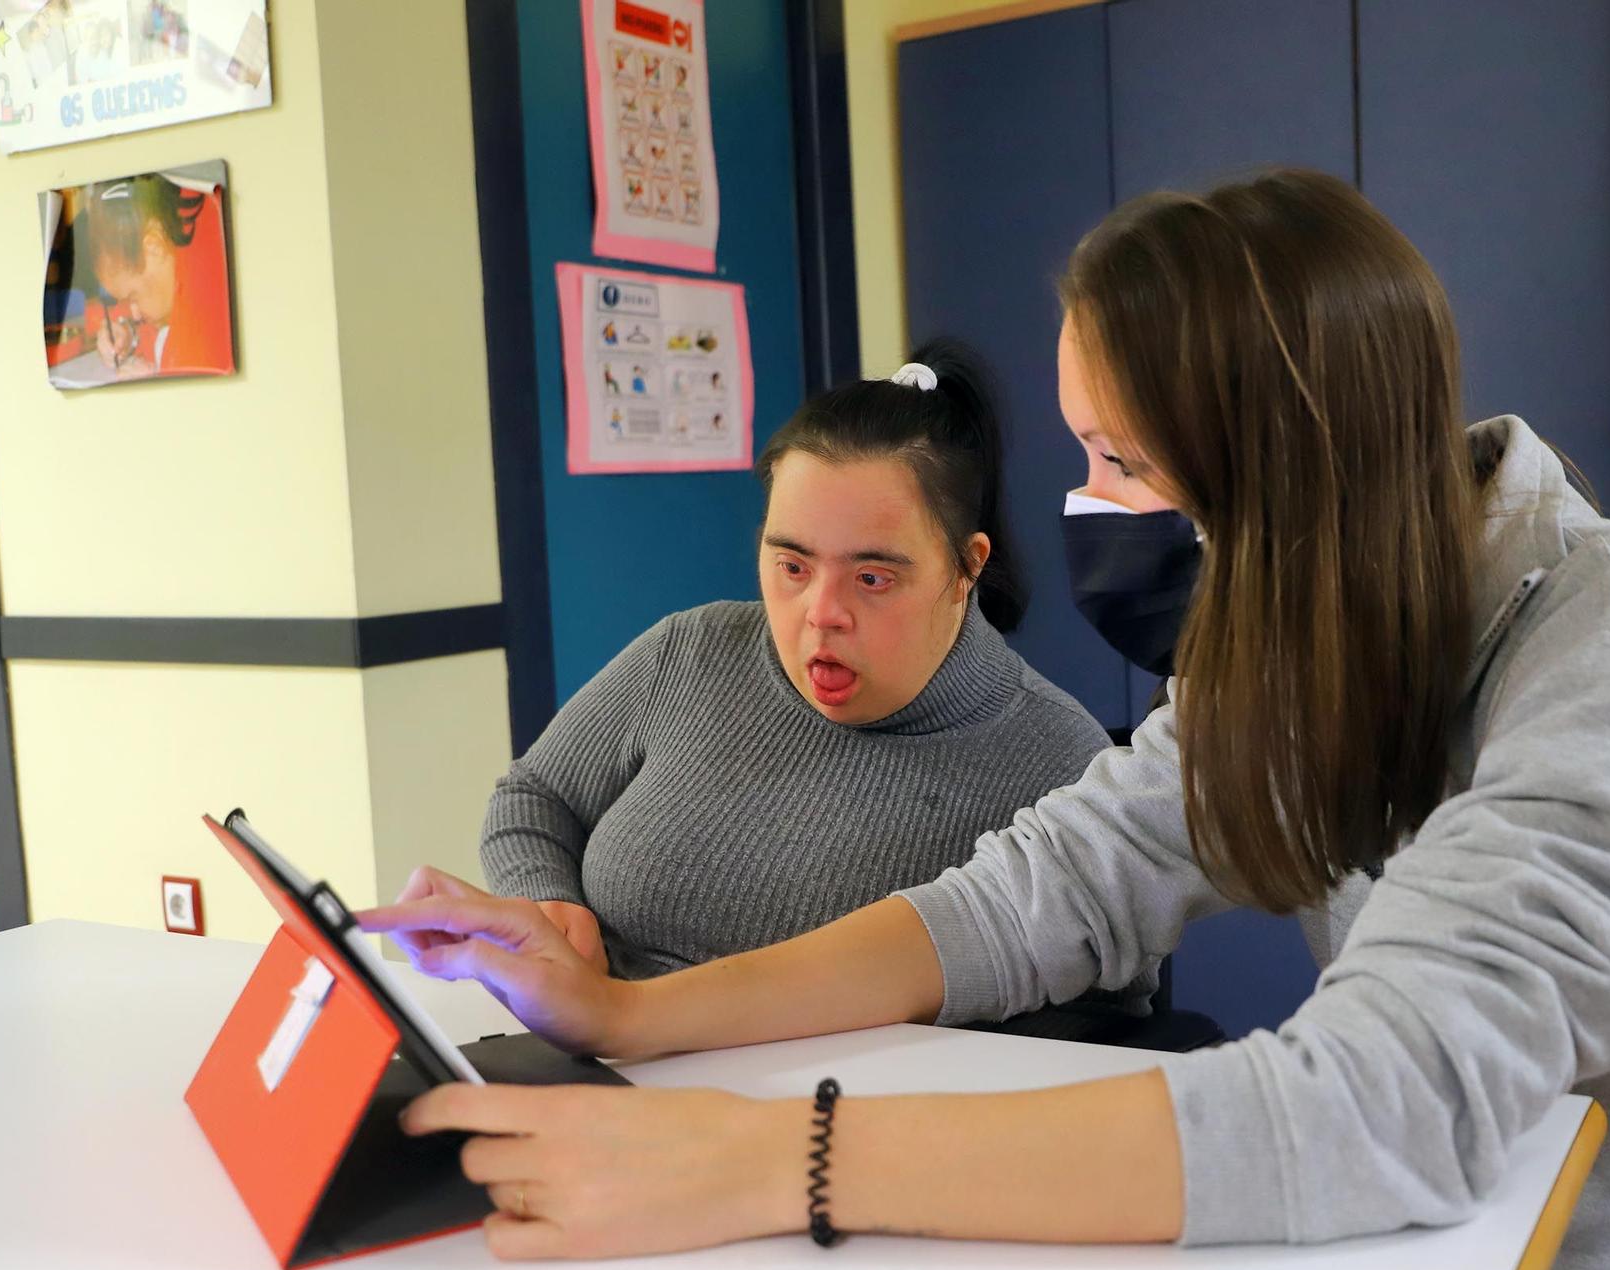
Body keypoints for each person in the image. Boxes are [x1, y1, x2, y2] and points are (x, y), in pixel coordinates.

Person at [359, 171, 1610, 1270]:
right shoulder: (1324, 611)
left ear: (1271, 467)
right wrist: (630, 1013)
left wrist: (768, 1164)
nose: (1088, 505)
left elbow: (1379, 1103)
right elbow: (1046, 889)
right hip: (1453, 1261)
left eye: (1124, 462)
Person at [455, 338, 1131, 1003]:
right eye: (792, 568)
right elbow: (536, 795)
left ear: (966, 568)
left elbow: (1098, 1024)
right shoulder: (691, 651)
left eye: (871, 577)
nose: (821, 613)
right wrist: (546, 901)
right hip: (596, 1068)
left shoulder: (1062, 764)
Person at [86, 171, 232, 379]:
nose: (134, 313)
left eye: (133, 297)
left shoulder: (206, 300)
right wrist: (130, 334)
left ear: (154, 248)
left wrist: (154, 382)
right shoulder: (173, 271)